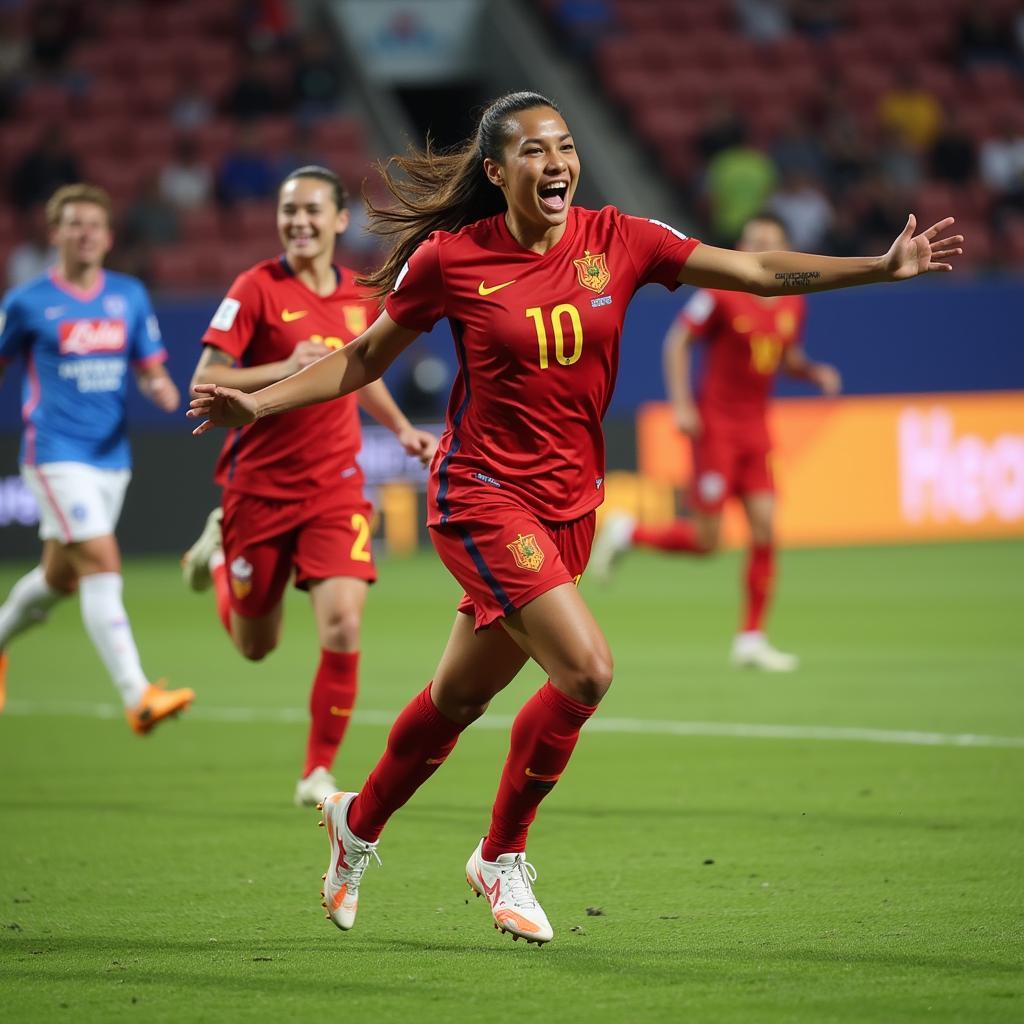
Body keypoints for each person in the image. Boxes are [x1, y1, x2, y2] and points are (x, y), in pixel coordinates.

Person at [187, 92, 962, 945]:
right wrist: (258, 407)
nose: (554, 162)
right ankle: (500, 855)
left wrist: (879, 267)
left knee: (456, 698)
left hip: (571, 507)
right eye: (531, 151)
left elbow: (752, 271)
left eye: (563, 146)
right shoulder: (451, 258)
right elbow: (363, 357)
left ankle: (356, 824)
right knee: (587, 671)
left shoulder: (619, 239)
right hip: (481, 494)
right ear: (496, 172)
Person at [180, 165, 436, 807]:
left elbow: (361, 369)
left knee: (345, 624)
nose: (299, 221)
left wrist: (402, 428)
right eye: (289, 210)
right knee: (255, 645)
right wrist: (280, 367)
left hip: (335, 486)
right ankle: (218, 559)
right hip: (259, 489)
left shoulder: (359, 292)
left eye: (312, 210)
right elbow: (203, 378)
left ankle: (316, 772)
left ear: (339, 219)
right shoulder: (255, 288)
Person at [590, 213, 841, 672]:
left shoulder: (792, 302)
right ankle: (630, 532)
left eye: (771, 241)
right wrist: (683, 405)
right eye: (754, 240)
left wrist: (812, 372)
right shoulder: (720, 295)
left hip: (756, 432)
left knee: (765, 530)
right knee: (707, 542)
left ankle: (751, 638)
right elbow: (677, 342)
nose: (761, 247)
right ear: (742, 246)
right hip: (717, 429)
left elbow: (786, 358)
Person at [0, 183, 192, 730]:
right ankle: (138, 696)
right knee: (102, 561)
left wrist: (159, 386)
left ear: (108, 237)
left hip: (112, 458)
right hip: (53, 453)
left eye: (94, 225)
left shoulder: (128, 296)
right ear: (55, 232)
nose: (84, 233)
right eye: (73, 223)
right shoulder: (26, 302)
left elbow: (148, 363)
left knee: (59, 576)